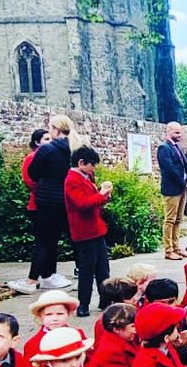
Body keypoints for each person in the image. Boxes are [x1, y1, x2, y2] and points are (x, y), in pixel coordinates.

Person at [27, 114, 76, 290]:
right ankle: (49, 275)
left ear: (56, 129)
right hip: (67, 199)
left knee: (43, 240)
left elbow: (33, 172)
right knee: (59, 240)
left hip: (47, 199)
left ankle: (32, 279)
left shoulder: (47, 149)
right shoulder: (74, 148)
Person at [64, 145, 114, 318]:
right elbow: (82, 204)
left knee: (103, 268)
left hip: (95, 229)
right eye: (92, 164)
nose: (94, 168)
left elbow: (93, 201)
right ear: (81, 163)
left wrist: (104, 196)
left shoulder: (85, 177)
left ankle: (105, 300)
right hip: (84, 231)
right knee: (87, 270)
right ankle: (83, 304)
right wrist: (101, 194)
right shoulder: (72, 180)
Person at [10, 127, 56, 295]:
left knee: (51, 242)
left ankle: (47, 274)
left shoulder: (50, 156)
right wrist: (46, 191)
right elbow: (29, 180)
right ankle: (34, 278)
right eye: (46, 139)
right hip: (38, 205)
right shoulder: (32, 158)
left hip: (48, 203)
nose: (50, 142)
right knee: (43, 242)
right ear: (37, 142)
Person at [156, 122, 187, 260]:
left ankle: (177, 248)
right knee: (170, 220)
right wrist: (184, 184)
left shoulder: (177, 147)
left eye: (180, 132)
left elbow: (186, 166)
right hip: (172, 190)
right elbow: (170, 170)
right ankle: (169, 250)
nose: (179, 135)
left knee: (178, 220)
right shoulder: (163, 148)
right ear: (168, 132)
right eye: (177, 132)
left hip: (181, 188)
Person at [85, 303, 139, 367]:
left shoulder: (123, 339)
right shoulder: (111, 350)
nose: (136, 330)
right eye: (133, 326)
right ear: (117, 329)